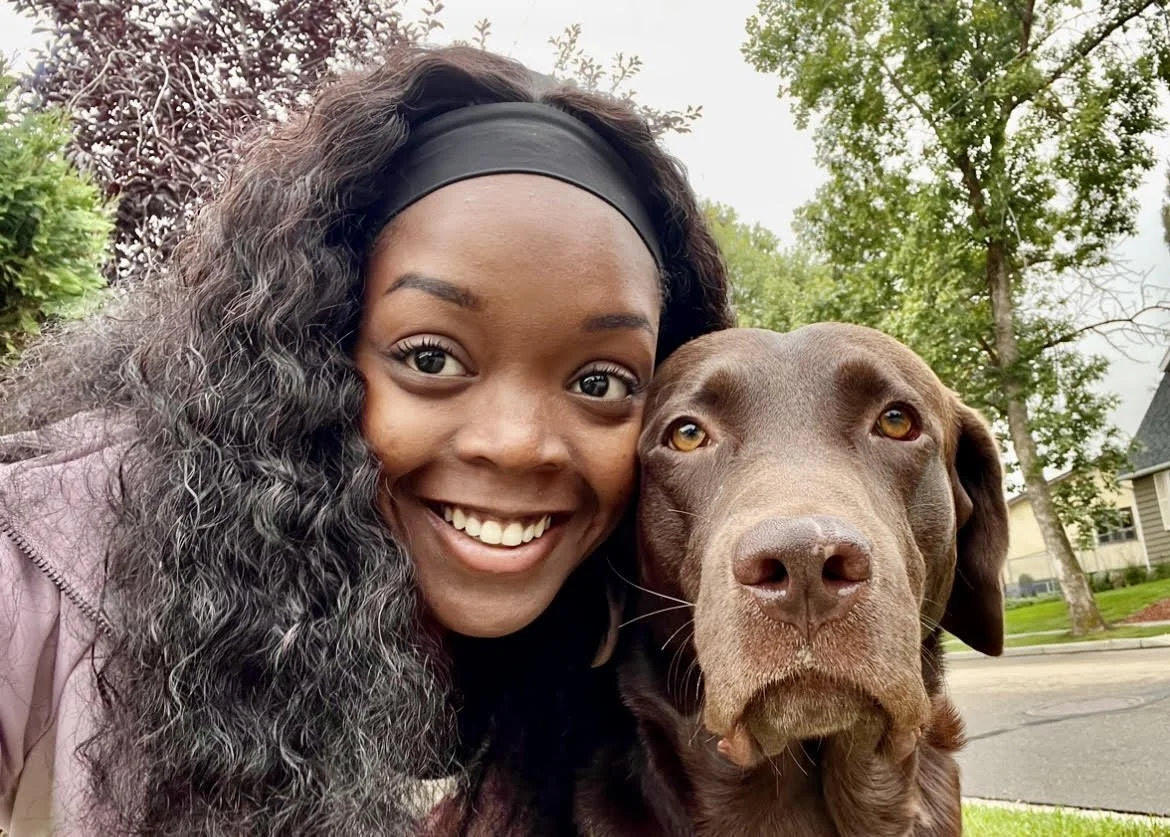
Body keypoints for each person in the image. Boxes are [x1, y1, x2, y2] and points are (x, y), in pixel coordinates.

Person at [0, 45, 731, 835]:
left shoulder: (631, 651)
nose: (520, 445)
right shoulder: (47, 569)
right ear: (313, 351)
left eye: (600, 383)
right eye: (431, 358)